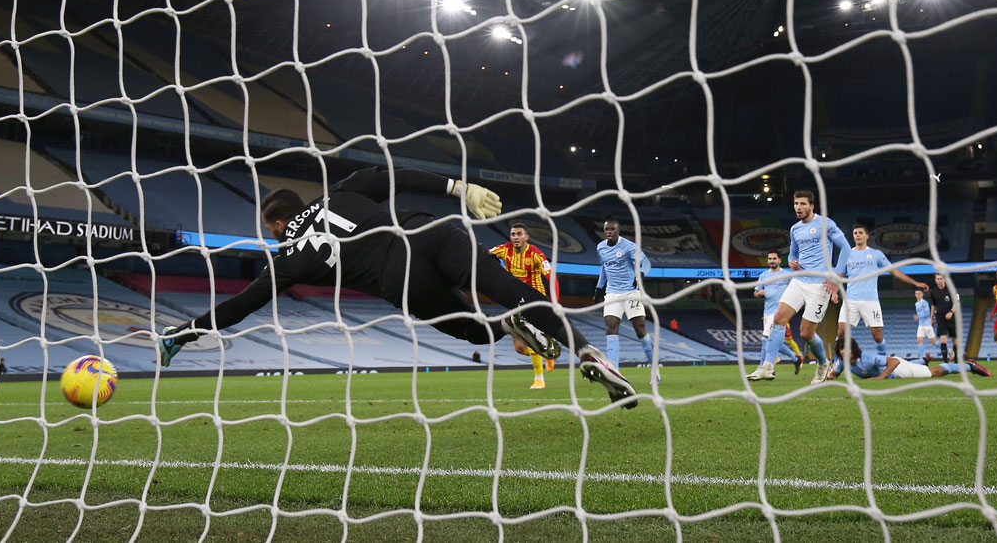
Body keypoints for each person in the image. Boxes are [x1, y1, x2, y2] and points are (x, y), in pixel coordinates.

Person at [159, 167, 638, 408]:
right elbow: (395, 174)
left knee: (473, 331)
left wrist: (185, 332)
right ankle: (585, 351)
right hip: (426, 232)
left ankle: (502, 329)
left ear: (279, 223)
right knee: (506, 283)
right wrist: (458, 188)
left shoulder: (289, 254)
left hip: (402, 280)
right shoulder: (341, 191)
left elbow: (244, 303)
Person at [750, 190, 851, 384]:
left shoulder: (826, 224)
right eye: (796, 203)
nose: (798, 207)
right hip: (798, 281)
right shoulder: (795, 229)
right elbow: (792, 254)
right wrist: (792, 262)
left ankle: (823, 363)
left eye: (802, 204)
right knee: (779, 319)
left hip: (820, 285)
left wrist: (835, 276)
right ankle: (767, 366)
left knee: (806, 333)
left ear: (811, 206)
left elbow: (845, 248)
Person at [835, 223, 929, 356]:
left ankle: (883, 358)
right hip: (851, 299)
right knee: (841, 331)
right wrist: (834, 290)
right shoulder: (847, 254)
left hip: (870, 300)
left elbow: (894, 272)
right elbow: (840, 276)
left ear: (867, 236)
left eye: (860, 233)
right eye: (855, 233)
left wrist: (915, 282)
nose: (857, 235)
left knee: (877, 335)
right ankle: (836, 363)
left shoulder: (875, 254)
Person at [490, 223, 559, 389]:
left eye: (519, 234)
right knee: (520, 348)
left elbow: (552, 277)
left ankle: (539, 379)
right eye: (513, 234)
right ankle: (545, 353)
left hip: (535, 300)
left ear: (526, 237)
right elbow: (484, 255)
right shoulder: (504, 250)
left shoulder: (536, 254)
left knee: (530, 338)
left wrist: (555, 302)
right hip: (514, 301)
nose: (515, 237)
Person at [593, 218, 658, 382]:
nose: (609, 232)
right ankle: (615, 372)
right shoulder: (600, 247)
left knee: (640, 330)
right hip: (612, 293)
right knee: (611, 326)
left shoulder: (629, 247)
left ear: (618, 231)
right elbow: (604, 267)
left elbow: (646, 263)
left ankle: (654, 369)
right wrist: (599, 287)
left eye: (612, 229)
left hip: (631, 293)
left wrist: (641, 274)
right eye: (607, 229)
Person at [749, 251, 804, 380]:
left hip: (780, 312)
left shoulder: (787, 275)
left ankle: (763, 368)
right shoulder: (763, 276)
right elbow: (755, 293)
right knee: (772, 342)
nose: (772, 261)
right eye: (770, 259)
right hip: (767, 312)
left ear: (779, 260)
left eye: (774, 258)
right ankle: (794, 358)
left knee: (765, 339)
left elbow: (798, 286)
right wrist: (759, 293)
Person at [830, 337, 990, 380]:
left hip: (898, 370)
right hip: (898, 367)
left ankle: (970, 366)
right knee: (918, 366)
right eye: (841, 349)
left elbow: (894, 362)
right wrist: (825, 377)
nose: (844, 352)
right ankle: (922, 360)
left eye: (847, 348)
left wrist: (880, 378)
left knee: (935, 373)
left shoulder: (867, 358)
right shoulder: (844, 362)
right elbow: (834, 374)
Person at [930, 273, 960, 362]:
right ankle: (945, 362)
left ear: (944, 279)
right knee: (943, 339)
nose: (939, 281)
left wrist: (951, 312)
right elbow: (933, 305)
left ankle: (956, 360)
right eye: (937, 279)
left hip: (952, 317)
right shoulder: (934, 292)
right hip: (940, 317)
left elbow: (957, 302)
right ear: (935, 280)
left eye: (941, 279)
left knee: (955, 339)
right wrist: (931, 318)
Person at [913, 289, 937, 360]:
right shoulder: (916, 304)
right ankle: (921, 357)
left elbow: (927, 314)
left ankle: (947, 350)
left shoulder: (924, 303)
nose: (917, 295)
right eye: (916, 293)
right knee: (919, 340)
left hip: (927, 325)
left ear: (922, 294)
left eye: (919, 293)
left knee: (933, 342)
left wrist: (918, 317)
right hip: (921, 325)